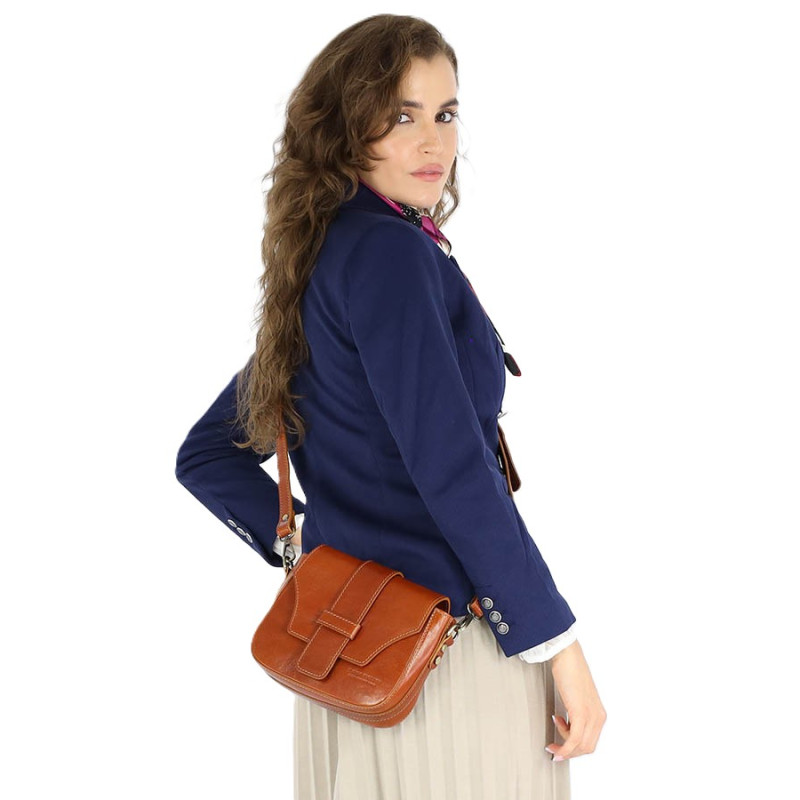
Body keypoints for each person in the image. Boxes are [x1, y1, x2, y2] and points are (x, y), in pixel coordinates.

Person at [175, 13, 606, 800]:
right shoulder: (391, 253)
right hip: (443, 660)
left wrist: (312, 552)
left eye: (446, 113)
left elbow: (207, 454)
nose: (433, 141)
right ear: (345, 128)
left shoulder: (328, 253)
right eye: (402, 116)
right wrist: (557, 641)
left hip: (349, 658)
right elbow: (454, 469)